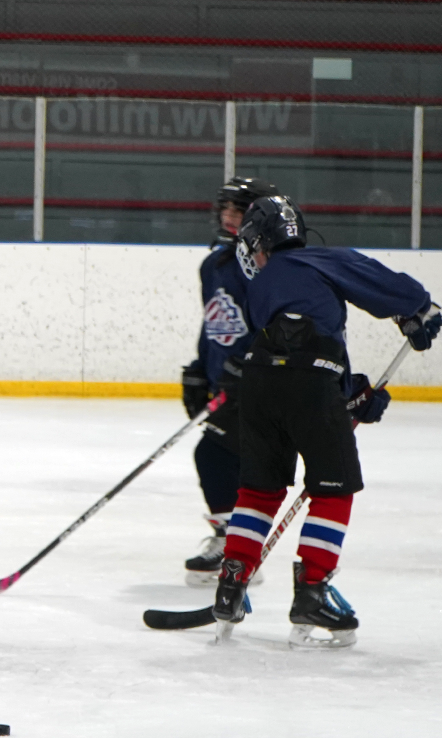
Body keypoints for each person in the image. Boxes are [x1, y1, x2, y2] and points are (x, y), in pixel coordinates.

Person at [211, 195, 442, 649]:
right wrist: (414, 310)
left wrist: (350, 392)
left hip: (260, 385)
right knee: (333, 490)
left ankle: (230, 584)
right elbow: (395, 293)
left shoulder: (258, 287)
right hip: (310, 384)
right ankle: (312, 591)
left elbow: (294, 342)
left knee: (259, 490)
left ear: (261, 243)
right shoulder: (318, 260)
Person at [178, 176, 277, 587]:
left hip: (260, 382)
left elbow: (278, 321)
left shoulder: (265, 264)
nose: (230, 218)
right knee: (228, 460)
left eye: (240, 211)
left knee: (213, 456)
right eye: (227, 210)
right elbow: (214, 322)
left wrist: (255, 364)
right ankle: (237, 546)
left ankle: (233, 548)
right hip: (228, 382)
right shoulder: (215, 264)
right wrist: (203, 368)